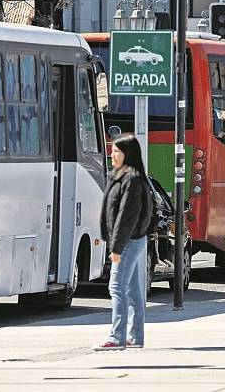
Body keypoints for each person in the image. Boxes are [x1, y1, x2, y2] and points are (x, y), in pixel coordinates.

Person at [93, 135, 153, 351]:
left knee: (117, 287)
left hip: (128, 241)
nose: (112, 154)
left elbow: (127, 217)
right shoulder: (120, 176)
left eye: (116, 151)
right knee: (132, 291)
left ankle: (116, 337)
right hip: (131, 240)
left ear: (128, 154)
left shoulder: (132, 180)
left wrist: (117, 248)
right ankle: (135, 337)